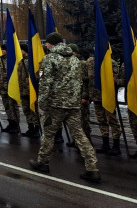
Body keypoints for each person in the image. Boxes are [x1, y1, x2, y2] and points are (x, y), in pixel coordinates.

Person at [29, 32, 101, 183]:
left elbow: (45, 83)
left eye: (47, 43)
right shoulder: (75, 59)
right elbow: (79, 81)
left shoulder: (49, 59)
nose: (45, 45)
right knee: (79, 135)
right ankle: (92, 168)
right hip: (73, 104)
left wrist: (42, 102)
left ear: (51, 44)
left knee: (48, 134)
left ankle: (42, 162)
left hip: (55, 105)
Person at [18, 43, 40, 138]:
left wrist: (34, 79)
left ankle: (37, 129)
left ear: (24, 50)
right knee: (26, 110)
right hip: (23, 90)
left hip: (31, 90)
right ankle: (30, 128)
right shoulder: (20, 62)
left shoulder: (32, 61)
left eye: (20, 50)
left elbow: (41, 72)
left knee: (34, 110)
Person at [0, 45, 20, 134]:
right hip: (2, 87)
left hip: (11, 87)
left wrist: (10, 74)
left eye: (3, 49)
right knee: (7, 106)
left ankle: (16, 124)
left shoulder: (12, 59)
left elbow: (18, 71)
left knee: (13, 106)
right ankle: (10, 123)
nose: (1, 51)